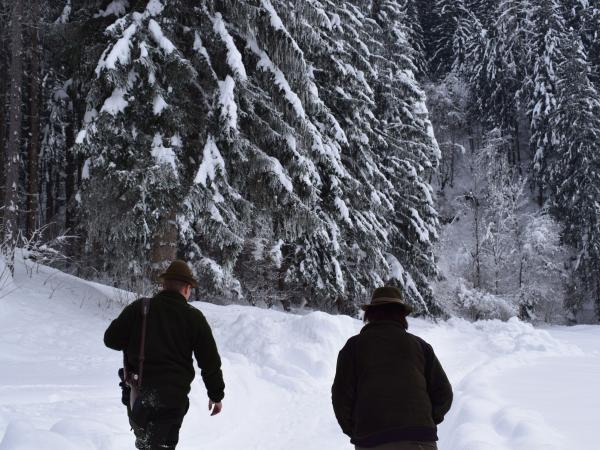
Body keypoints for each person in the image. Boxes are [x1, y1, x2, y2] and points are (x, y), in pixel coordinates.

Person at [104, 260, 225, 450]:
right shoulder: (194, 317)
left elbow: (110, 340)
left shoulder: (140, 308)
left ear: (164, 285)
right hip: (174, 400)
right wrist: (216, 395)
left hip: (141, 396)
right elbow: (209, 362)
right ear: (186, 288)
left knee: (147, 445)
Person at [332, 286, 453, 450]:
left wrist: (356, 431)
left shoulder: (354, 347)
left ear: (370, 314)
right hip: (421, 439)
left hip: (372, 440)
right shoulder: (421, 346)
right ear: (402, 315)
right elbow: (444, 393)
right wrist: (427, 419)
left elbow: (341, 396)